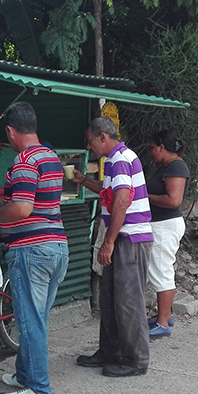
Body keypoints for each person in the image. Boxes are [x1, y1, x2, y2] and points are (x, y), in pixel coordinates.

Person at [0, 102, 68, 394]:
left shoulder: (25, 161)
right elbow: (27, 196)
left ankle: (39, 388)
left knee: (30, 321)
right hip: (57, 248)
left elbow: (22, 208)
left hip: (32, 251)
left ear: (11, 131)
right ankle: (25, 373)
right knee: (35, 317)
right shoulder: (50, 157)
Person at [72, 117, 154, 377]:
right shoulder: (117, 160)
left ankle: (135, 360)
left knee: (129, 301)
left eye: (91, 141)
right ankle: (110, 352)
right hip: (123, 237)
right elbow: (110, 193)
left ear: (103, 137)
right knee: (111, 298)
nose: (90, 147)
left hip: (129, 238)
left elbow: (120, 202)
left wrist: (108, 242)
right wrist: (84, 179)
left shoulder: (119, 160)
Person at [144, 130, 189, 339]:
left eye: (153, 147)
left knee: (161, 271)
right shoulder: (168, 167)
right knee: (162, 269)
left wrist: (144, 196)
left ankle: (162, 323)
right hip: (162, 224)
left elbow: (173, 200)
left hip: (165, 225)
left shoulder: (176, 167)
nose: (151, 152)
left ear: (162, 147)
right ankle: (165, 315)